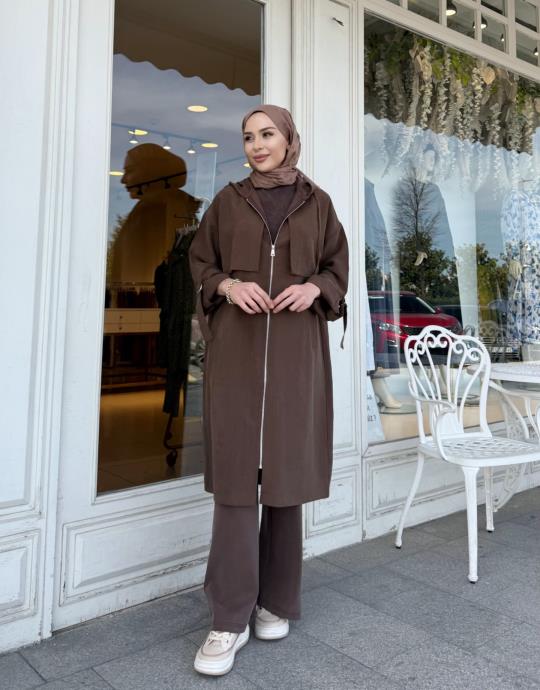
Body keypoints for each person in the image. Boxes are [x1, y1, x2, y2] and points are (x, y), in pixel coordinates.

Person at [189, 104, 348, 676]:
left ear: (288, 140)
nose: (257, 145)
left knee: (284, 476)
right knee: (236, 484)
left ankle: (276, 600)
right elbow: (200, 263)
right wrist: (228, 286)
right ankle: (228, 618)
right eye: (248, 137)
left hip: (296, 358)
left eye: (267, 134)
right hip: (237, 356)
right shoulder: (228, 201)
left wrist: (315, 289)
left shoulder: (318, 203)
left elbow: (337, 269)